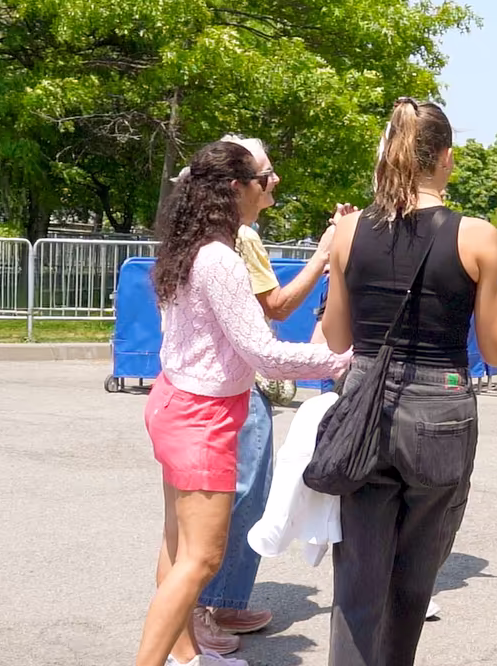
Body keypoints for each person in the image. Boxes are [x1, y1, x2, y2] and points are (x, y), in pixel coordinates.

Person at [320, 97, 497, 666]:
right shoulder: (474, 236)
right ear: (446, 157)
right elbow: (496, 347)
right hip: (439, 408)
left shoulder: (347, 230)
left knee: (357, 584)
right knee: (413, 582)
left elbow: (338, 339)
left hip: (364, 403)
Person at [137, 139, 353, 666]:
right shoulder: (221, 260)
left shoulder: (194, 248)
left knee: (178, 549)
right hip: (201, 417)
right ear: (236, 189)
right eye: (264, 177)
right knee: (203, 558)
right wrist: (338, 361)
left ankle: (187, 655)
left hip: (178, 404)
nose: (272, 183)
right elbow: (263, 353)